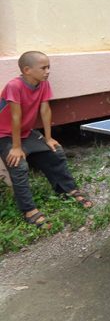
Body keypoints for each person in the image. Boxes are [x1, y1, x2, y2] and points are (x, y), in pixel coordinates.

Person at [0, 51, 92, 229]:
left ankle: (67, 190)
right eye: (43, 68)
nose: (48, 71)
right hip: (4, 134)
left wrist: (48, 138)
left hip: (26, 132)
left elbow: (45, 110)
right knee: (18, 164)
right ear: (27, 70)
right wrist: (17, 147)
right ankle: (28, 210)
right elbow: (15, 118)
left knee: (55, 151)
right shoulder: (14, 86)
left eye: (48, 67)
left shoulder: (43, 84)